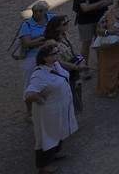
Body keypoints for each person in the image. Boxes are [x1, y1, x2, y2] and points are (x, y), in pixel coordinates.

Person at [25, 44, 77, 172]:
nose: (56, 55)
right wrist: (40, 99)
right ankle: (43, 165)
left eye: (57, 52)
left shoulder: (56, 65)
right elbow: (29, 94)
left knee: (59, 131)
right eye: (54, 54)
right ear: (44, 58)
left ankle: (55, 153)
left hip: (60, 108)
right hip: (49, 112)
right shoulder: (39, 75)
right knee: (46, 137)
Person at [73, 0, 116, 65]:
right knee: (86, 44)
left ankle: (101, 64)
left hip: (100, 19)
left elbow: (112, 1)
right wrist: (103, 2)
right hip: (85, 20)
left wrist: (93, 5)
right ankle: (83, 67)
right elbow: (85, 8)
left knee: (100, 42)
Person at [42, 15, 85, 115]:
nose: (67, 25)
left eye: (68, 21)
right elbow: (58, 61)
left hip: (72, 68)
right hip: (62, 71)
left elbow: (74, 50)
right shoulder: (51, 42)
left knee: (76, 90)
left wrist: (81, 60)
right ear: (57, 27)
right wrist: (77, 67)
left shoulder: (65, 35)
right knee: (68, 94)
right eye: (64, 24)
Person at [15, 0, 53, 89]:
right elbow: (27, 43)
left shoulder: (53, 18)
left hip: (51, 54)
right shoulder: (26, 25)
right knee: (30, 82)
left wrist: (38, 41)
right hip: (32, 57)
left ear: (46, 11)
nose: (38, 13)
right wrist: (46, 41)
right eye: (35, 11)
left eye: (41, 11)